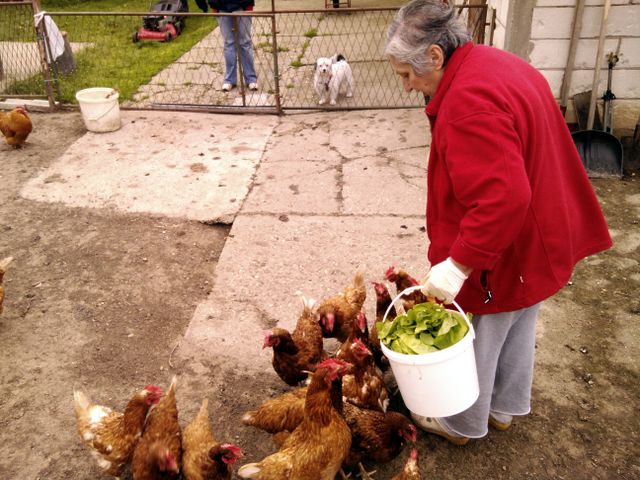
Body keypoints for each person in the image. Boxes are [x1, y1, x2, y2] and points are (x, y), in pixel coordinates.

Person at [385, 0, 612, 445]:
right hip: (541, 231)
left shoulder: (467, 103)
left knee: (483, 333)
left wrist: (458, 265)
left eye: (408, 74)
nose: (408, 87)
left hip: (507, 243)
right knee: (518, 321)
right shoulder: (495, 62)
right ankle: (504, 408)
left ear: (435, 55)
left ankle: (461, 424)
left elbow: (503, 199)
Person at [204, 0, 258, 92]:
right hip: (221, 7)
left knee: (245, 42)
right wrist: (214, 5)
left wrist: (249, 4)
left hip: (243, 6)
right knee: (228, 43)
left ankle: (251, 79)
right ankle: (230, 80)